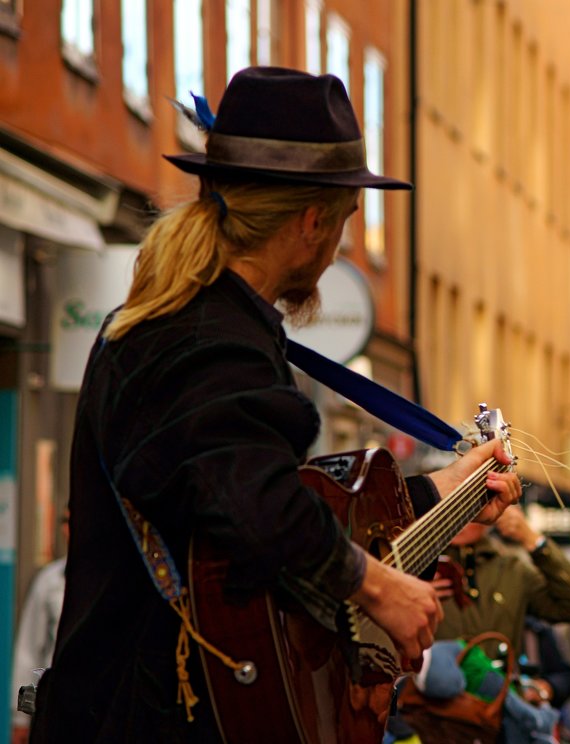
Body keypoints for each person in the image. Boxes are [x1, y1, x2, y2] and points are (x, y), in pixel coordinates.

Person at [30, 67, 522, 743]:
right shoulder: (205, 342)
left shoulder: (202, 328)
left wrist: (446, 490)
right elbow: (259, 510)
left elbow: (276, 513)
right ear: (314, 221)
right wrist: (379, 589)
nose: (340, 247)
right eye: (346, 221)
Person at [391, 504, 570, 742]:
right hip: (428, 720)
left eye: (471, 506)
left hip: (496, 721)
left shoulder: (511, 569)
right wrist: (406, 594)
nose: (459, 517)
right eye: (449, 505)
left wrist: (532, 539)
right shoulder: (410, 563)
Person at [10, 513, 67, 744]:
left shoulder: (109, 579)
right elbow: (29, 652)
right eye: (67, 522)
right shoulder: (49, 582)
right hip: (55, 706)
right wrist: (21, 718)